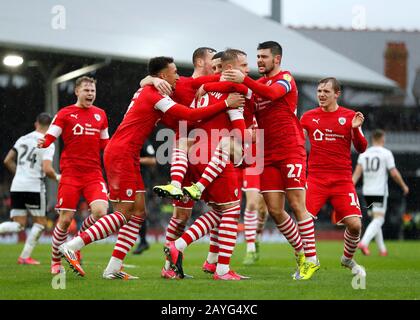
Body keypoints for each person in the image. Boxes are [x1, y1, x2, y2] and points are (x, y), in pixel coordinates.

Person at [57, 56, 244, 278]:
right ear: (163, 75)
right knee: (124, 213)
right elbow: (189, 115)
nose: (177, 76)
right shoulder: (155, 95)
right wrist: (226, 103)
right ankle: (73, 245)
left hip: (127, 153)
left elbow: (176, 107)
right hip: (121, 153)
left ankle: (113, 269)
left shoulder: (151, 89)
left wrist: (149, 80)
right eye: (174, 72)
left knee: (138, 214)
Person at [217, 41, 320, 280]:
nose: (259, 61)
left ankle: (311, 259)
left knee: (296, 204)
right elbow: (249, 113)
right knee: (274, 210)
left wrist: (245, 82)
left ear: (277, 59)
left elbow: (273, 94)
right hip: (267, 153)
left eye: (264, 57)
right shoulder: (257, 85)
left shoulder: (285, 78)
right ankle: (302, 252)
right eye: (257, 57)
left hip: (291, 149)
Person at [165, 49, 252, 281]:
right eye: (243, 66)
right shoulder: (235, 91)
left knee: (217, 211)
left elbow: (196, 114)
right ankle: (222, 270)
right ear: (229, 69)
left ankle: (179, 245)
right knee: (232, 210)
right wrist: (250, 138)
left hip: (196, 153)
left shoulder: (203, 89)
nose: (248, 70)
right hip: (216, 154)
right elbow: (241, 133)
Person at [38, 76, 110, 275]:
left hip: (93, 173)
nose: (90, 94)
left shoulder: (101, 115)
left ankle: (75, 244)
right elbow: (52, 134)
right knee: (64, 219)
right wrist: (44, 142)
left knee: (100, 211)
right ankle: (55, 261)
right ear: (77, 91)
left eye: (93, 91)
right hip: (71, 173)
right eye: (86, 90)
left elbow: (105, 145)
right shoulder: (66, 113)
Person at [300, 77, 368, 277]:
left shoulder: (350, 116)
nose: (321, 94)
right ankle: (309, 261)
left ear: (337, 94)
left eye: (326, 91)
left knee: (355, 225)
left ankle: (347, 259)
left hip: (342, 180)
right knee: (303, 219)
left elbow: (362, 148)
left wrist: (355, 129)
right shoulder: (308, 117)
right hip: (316, 179)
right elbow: (296, 141)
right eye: (319, 91)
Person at [1, 113, 60, 265]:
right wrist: (59, 178)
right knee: (40, 223)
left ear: (36, 124)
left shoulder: (23, 139)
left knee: (18, 224)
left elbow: (7, 160)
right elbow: (47, 170)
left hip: (17, 185)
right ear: (51, 126)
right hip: (34, 186)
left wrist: (20, 173)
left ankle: (24, 257)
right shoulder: (47, 142)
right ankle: (25, 256)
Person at [353, 129, 409, 256]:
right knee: (379, 220)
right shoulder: (386, 153)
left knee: (375, 219)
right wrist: (403, 185)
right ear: (382, 139)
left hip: (367, 191)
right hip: (379, 191)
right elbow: (394, 173)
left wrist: (349, 188)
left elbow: (356, 174)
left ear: (372, 139)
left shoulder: (364, 154)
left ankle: (382, 250)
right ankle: (364, 242)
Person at [132, 140, 157, 255]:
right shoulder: (128, 140)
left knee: (139, 211)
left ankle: (142, 241)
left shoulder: (144, 142)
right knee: (135, 212)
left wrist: (135, 160)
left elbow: (152, 160)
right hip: (130, 179)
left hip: (141, 180)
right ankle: (142, 240)